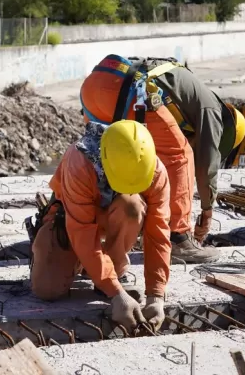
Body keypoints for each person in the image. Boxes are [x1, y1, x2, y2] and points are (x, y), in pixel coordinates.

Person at [81, 55, 245, 262]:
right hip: (132, 92)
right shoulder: (211, 109)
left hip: (94, 85)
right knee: (181, 155)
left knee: (102, 155)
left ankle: (79, 225)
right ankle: (178, 237)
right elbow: (206, 164)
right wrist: (207, 209)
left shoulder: (184, 95)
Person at [30, 120, 170, 332]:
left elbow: (158, 234)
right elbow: (82, 233)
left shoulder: (155, 171)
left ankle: (110, 268)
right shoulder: (80, 162)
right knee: (46, 289)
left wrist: (156, 296)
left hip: (112, 217)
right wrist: (116, 293)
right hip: (70, 220)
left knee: (132, 206)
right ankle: (85, 265)